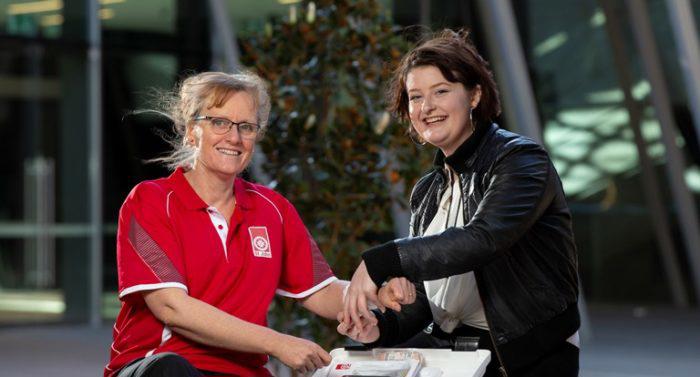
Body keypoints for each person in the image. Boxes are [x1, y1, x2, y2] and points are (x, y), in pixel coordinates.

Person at [340, 29, 580, 377]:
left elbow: (481, 240)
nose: (427, 107)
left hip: (527, 356)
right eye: (415, 96)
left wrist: (380, 261)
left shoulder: (520, 160)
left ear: (474, 96)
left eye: (441, 91)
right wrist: (379, 328)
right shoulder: (427, 191)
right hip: (458, 360)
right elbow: (427, 300)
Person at [105, 71, 348, 377]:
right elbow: (172, 308)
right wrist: (277, 342)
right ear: (192, 131)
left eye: (246, 127)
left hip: (241, 371)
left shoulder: (273, 209)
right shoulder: (151, 201)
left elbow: (323, 293)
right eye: (219, 122)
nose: (234, 137)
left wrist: (376, 290)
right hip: (160, 365)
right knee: (171, 370)